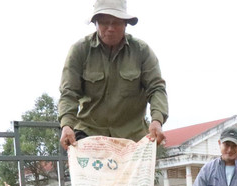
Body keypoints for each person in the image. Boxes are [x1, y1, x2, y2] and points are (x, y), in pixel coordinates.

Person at [58, 0, 168, 150]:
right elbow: (69, 92)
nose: (110, 28)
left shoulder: (142, 51)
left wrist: (157, 120)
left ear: (125, 24)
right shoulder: (79, 51)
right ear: (95, 23)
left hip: (132, 136)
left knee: (139, 173)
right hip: (89, 133)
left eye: (116, 23)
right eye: (104, 22)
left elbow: (156, 89)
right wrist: (66, 125)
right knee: (86, 172)